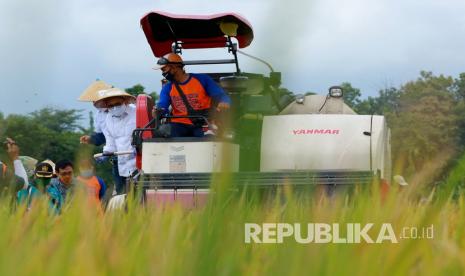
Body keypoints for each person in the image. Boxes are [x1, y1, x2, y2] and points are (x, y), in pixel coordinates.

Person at [153, 53, 231, 137]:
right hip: (178, 125)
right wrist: (157, 111)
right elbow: (162, 105)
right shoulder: (167, 87)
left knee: (209, 138)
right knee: (161, 133)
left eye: (164, 69)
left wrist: (224, 102)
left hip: (202, 123)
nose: (163, 73)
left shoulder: (202, 79)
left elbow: (222, 96)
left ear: (174, 67)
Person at [99, 88, 137, 194]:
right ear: (107, 106)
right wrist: (105, 153)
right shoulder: (108, 119)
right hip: (121, 160)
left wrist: (140, 148)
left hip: (138, 159)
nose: (115, 107)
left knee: (139, 192)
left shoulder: (136, 112)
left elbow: (146, 134)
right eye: (111, 105)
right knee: (122, 193)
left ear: (125, 101)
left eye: (118, 103)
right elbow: (110, 141)